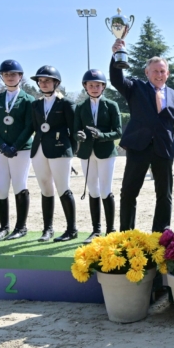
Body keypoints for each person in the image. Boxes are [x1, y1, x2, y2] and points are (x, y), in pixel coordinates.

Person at [110, 40, 174, 233]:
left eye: (163, 71)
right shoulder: (135, 88)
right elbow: (116, 80)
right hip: (138, 147)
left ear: (168, 74)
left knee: (164, 195)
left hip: (164, 150)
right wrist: (116, 56)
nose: (159, 74)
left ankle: (160, 234)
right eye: (155, 71)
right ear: (147, 73)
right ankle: (126, 233)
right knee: (129, 192)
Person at [0, 59, 35, 240]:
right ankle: (3, 227)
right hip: (0, 149)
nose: (10, 77)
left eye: (13, 74)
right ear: (2, 77)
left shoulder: (28, 100)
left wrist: (15, 146)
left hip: (20, 150)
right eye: (6, 74)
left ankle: (21, 227)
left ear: (20, 76)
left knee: (20, 185)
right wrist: (2, 145)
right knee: (0, 187)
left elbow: (30, 126)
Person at [29, 66, 77, 242]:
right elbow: (35, 128)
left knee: (63, 188)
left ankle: (71, 229)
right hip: (39, 149)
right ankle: (47, 229)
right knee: (45, 187)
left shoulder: (66, 103)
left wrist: (70, 152)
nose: (43, 83)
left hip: (60, 150)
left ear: (56, 82)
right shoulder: (35, 104)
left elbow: (73, 130)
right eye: (41, 81)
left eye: (47, 80)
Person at [74, 69, 122, 244]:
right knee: (92, 189)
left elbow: (118, 131)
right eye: (91, 85)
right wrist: (79, 136)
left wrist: (101, 135)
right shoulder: (80, 107)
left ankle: (110, 229)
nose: (94, 88)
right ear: (85, 86)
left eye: (98, 85)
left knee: (105, 189)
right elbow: (75, 129)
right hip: (86, 153)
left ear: (103, 87)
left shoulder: (111, 105)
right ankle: (96, 229)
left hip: (106, 152)